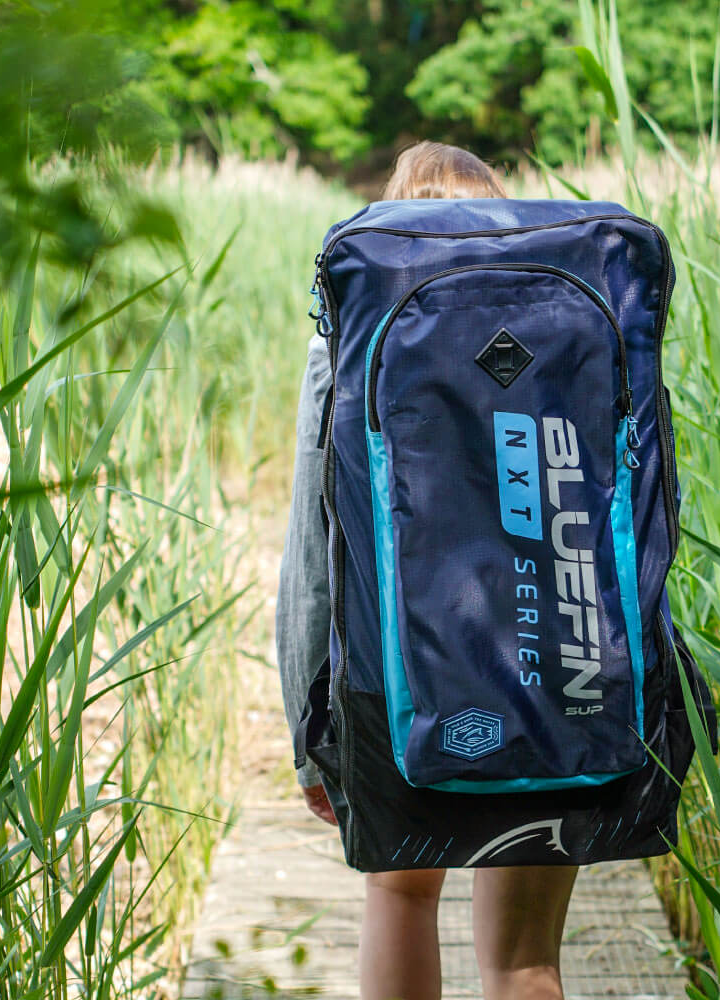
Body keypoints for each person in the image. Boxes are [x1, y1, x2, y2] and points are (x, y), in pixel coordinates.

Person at [276, 140, 580, 1000]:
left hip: (391, 676)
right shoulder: (565, 323)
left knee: (401, 901)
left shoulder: (356, 329)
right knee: (525, 961)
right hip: (553, 677)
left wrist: (311, 727)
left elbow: (314, 544)